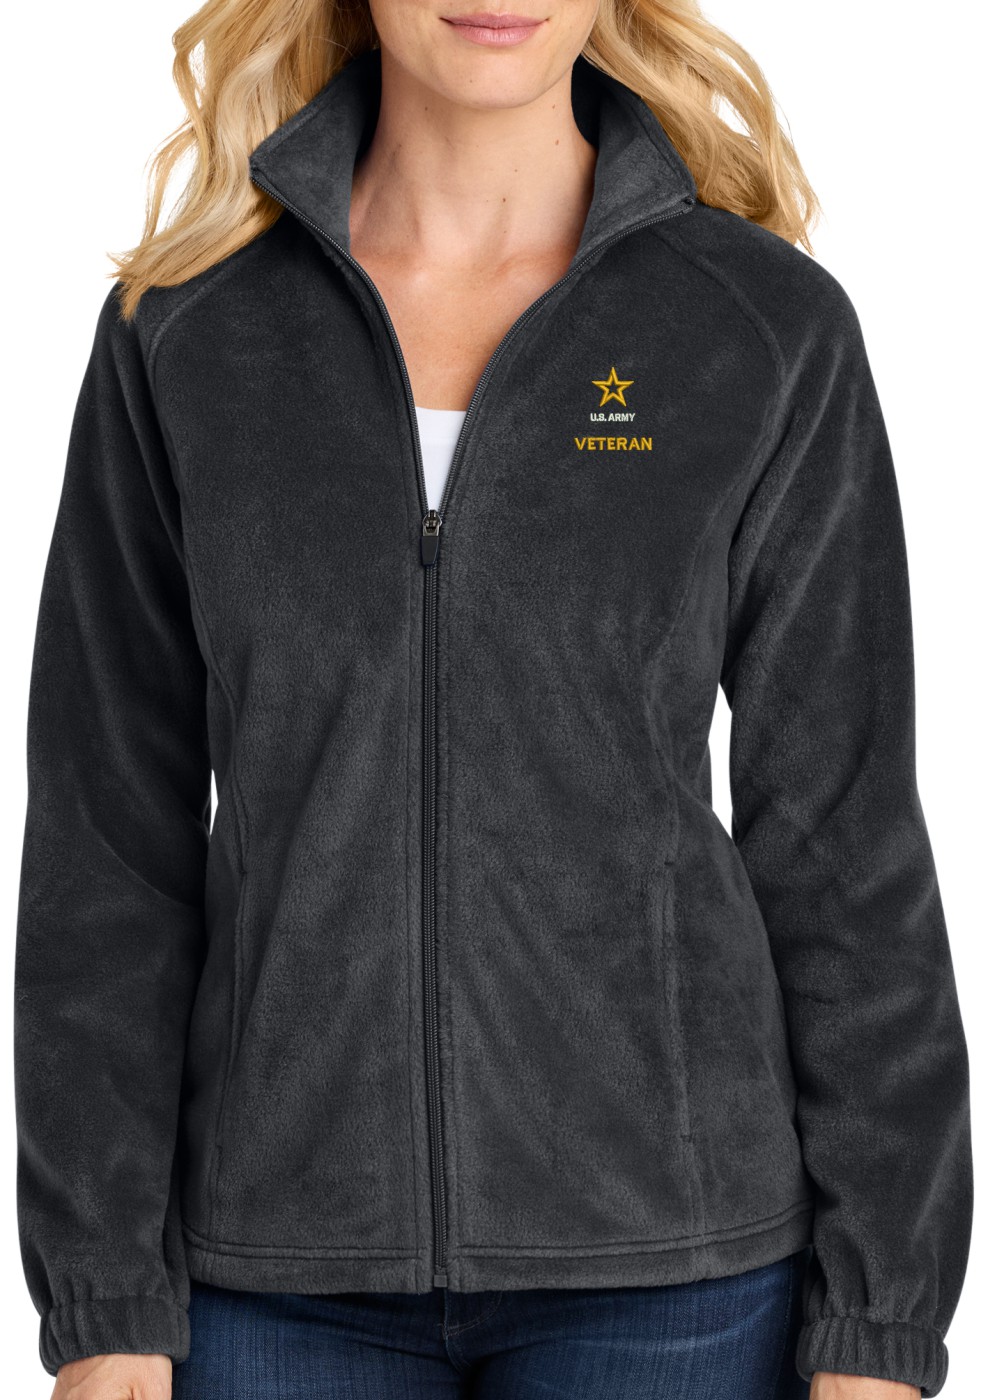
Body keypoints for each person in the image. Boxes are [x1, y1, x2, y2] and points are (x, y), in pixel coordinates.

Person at [13, 2, 973, 1398]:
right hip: (271, 1276)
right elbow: (107, 846)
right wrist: (101, 1296)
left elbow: (845, 839)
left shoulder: (757, 327)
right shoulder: (191, 332)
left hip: (674, 1277)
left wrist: (880, 1325)